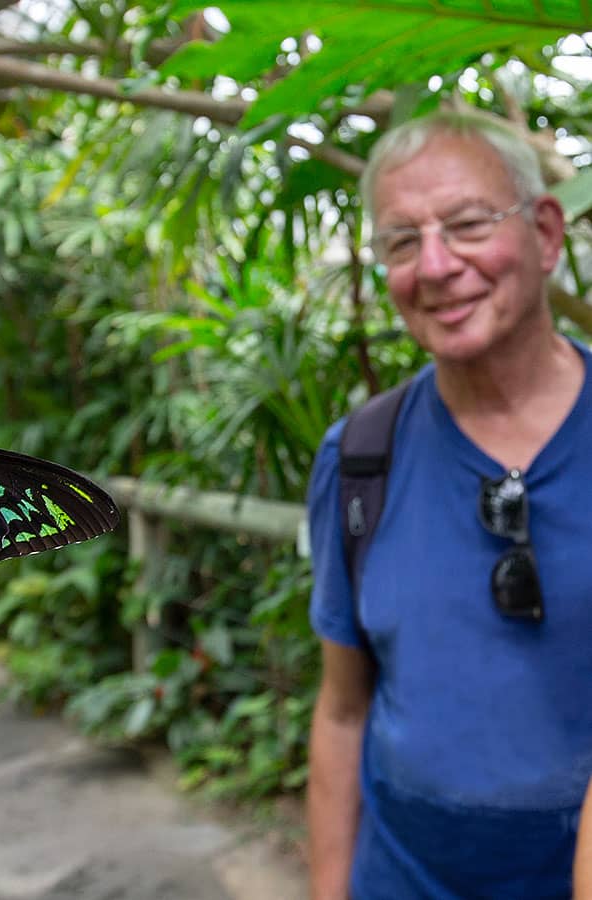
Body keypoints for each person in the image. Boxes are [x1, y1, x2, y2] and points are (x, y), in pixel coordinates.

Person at [306, 109, 592, 899]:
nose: (435, 266)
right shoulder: (362, 455)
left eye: (467, 225)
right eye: (402, 241)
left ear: (544, 233)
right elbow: (341, 712)